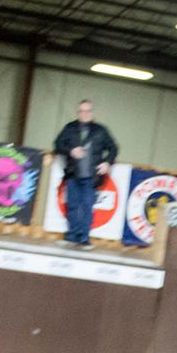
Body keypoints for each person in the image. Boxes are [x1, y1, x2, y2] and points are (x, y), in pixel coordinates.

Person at [53, 99, 117, 250]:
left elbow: (113, 148)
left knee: (87, 206)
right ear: (78, 112)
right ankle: (71, 237)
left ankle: (84, 239)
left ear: (92, 113)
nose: (85, 114)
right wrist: (70, 150)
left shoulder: (101, 130)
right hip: (72, 174)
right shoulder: (70, 127)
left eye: (87, 111)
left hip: (91, 177)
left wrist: (107, 162)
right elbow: (57, 145)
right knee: (73, 206)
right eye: (81, 111)